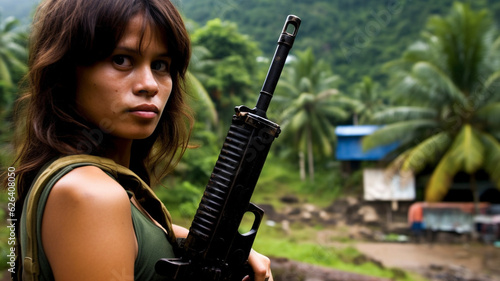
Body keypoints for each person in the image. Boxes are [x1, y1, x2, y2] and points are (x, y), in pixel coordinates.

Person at [6, 0, 273, 280]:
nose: (149, 84)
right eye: (121, 60)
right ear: (66, 71)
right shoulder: (92, 196)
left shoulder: (103, 188)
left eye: (160, 65)